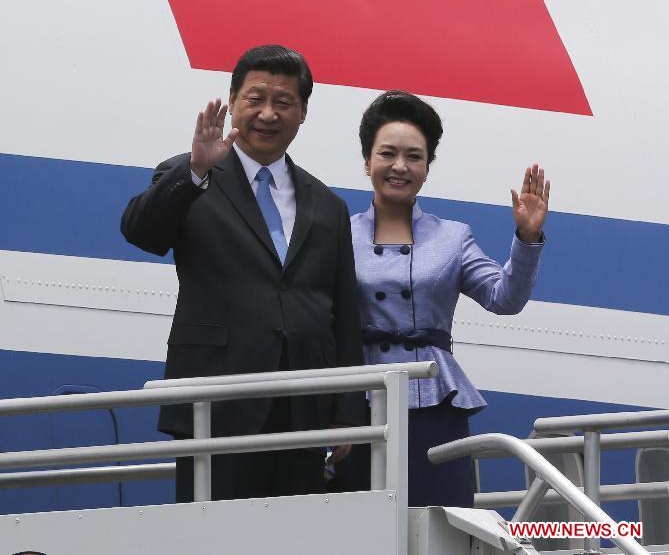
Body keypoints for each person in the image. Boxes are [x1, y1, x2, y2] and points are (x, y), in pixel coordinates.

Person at [121, 44, 363, 502]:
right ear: (232, 101)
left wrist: (346, 408)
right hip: (216, 404)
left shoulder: (328, 205)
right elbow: (140, 231)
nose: (268, 114)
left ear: (303, 112)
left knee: (298, 539)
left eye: (284, 102)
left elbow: (343, 316)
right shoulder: (191, 175)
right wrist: (195, 170)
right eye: (256, 99)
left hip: (303, 408)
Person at [337, 90, 549, 507]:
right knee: (356, 522)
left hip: (434, 400)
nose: (400, 166)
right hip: (355, 399)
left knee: (436, 522)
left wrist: (526, 238)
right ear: (367, 162)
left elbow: (503, 298)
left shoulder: (453, 236)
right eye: (388, 153)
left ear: (427, 168)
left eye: (414, 156)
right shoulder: (335, 232)